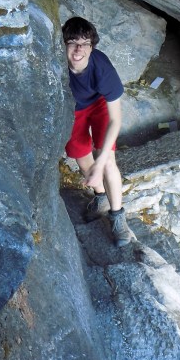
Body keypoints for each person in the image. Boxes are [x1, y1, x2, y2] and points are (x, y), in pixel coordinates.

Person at [62, 16, 137, 246]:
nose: (78, 49)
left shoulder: (102, 69)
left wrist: (102, 158)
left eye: (84, 44)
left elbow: (116, 119)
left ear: (92, 47)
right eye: (72, 42)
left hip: (100, 105)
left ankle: (118, 217)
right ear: (64, 44)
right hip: (74, 108)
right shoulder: (56, 63)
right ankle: (100, 196)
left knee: (106, 163)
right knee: (80, 156)